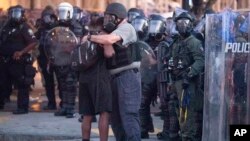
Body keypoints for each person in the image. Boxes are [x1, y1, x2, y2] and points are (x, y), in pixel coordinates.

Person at [81, 2, 141, 141]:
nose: (107, 20)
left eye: (109, 17)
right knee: (116, 118)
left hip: (128, 77)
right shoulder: (112, 31)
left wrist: (90, 37)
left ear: (118, 17)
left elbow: (110, 40)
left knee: (129, 115)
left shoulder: (127, 28)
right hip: (113, 78)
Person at [165, 11, 204, 141]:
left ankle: (189, 137)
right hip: (176, 82)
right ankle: (184, 135)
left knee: (187, 112)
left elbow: (200, 61)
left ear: (191, 24)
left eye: (185, 22)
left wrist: (190, 73)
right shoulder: (175, 42)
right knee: (178, 111)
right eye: (180, 22)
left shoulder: (194, 42)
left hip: (187, 83)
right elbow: (170, 60)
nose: (182, 25)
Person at [79, 16, 112, 141]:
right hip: (100, 79)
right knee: (104, 114)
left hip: (84, 79)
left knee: (87, 115)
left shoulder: (84, 37)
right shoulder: (102, 37)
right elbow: (109, 54)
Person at [0, 5, 38, 114]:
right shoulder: (5, 26)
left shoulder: (24, 27)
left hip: (18, 60)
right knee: (3, 83)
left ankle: (22, 107)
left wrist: (21, 52)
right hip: (5, 59)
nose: (14, 15)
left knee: (22, 84)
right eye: (12, 13)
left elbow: (33, 42)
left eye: (17, 13)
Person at [46, 2, 78, 118]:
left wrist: (66, 47)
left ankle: (70, 108)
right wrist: (51, 58)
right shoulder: (56, 27)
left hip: (71, 61)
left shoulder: (76, 26)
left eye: (64, 12)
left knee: (70, 85)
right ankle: (64, 107)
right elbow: (52, 42)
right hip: (59, 60)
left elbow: (76, 44)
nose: (62, 15)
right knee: (62, 85)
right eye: (61, 12)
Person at [35, 5, 58, 110]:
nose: (46, 19)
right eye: (44, 17)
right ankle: (51, 103)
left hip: (57, 57)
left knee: (61, 82)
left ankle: (64, 103)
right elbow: (35, 39)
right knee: (48, 82)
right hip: (44, 57)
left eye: (48, 16)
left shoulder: (58, 27)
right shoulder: (42, 29)